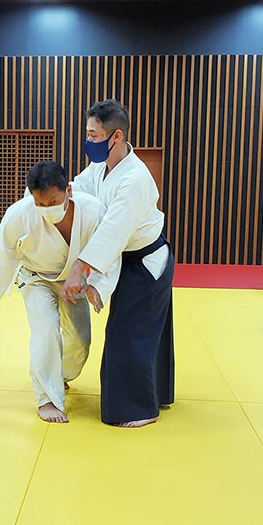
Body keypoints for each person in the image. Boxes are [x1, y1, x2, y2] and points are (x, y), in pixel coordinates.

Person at [0, 161, 118, 424]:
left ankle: (60, 375)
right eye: (40, 204)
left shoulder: (92, 211)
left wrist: (96, 286)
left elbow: (108, 251)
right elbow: (1, 255)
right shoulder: (19, 215)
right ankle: (46, 397)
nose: (47, 209)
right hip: (35, 278)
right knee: (45, 330)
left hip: (74, 280)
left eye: (54, 201)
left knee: (81, 339)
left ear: (68, 190)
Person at [62, 100, 174, 428]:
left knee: (129, 334)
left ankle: (138, 410)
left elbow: (112, 232)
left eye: (93, 135)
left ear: (116, 136)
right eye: (87, 134)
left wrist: (80, 271)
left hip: (147, 263)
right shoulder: (101, 168)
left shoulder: (135, 178)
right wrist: (58, 194)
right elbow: (80, 189)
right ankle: (155, 394)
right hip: (128, 259)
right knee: (139, 331)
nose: (88, 141)